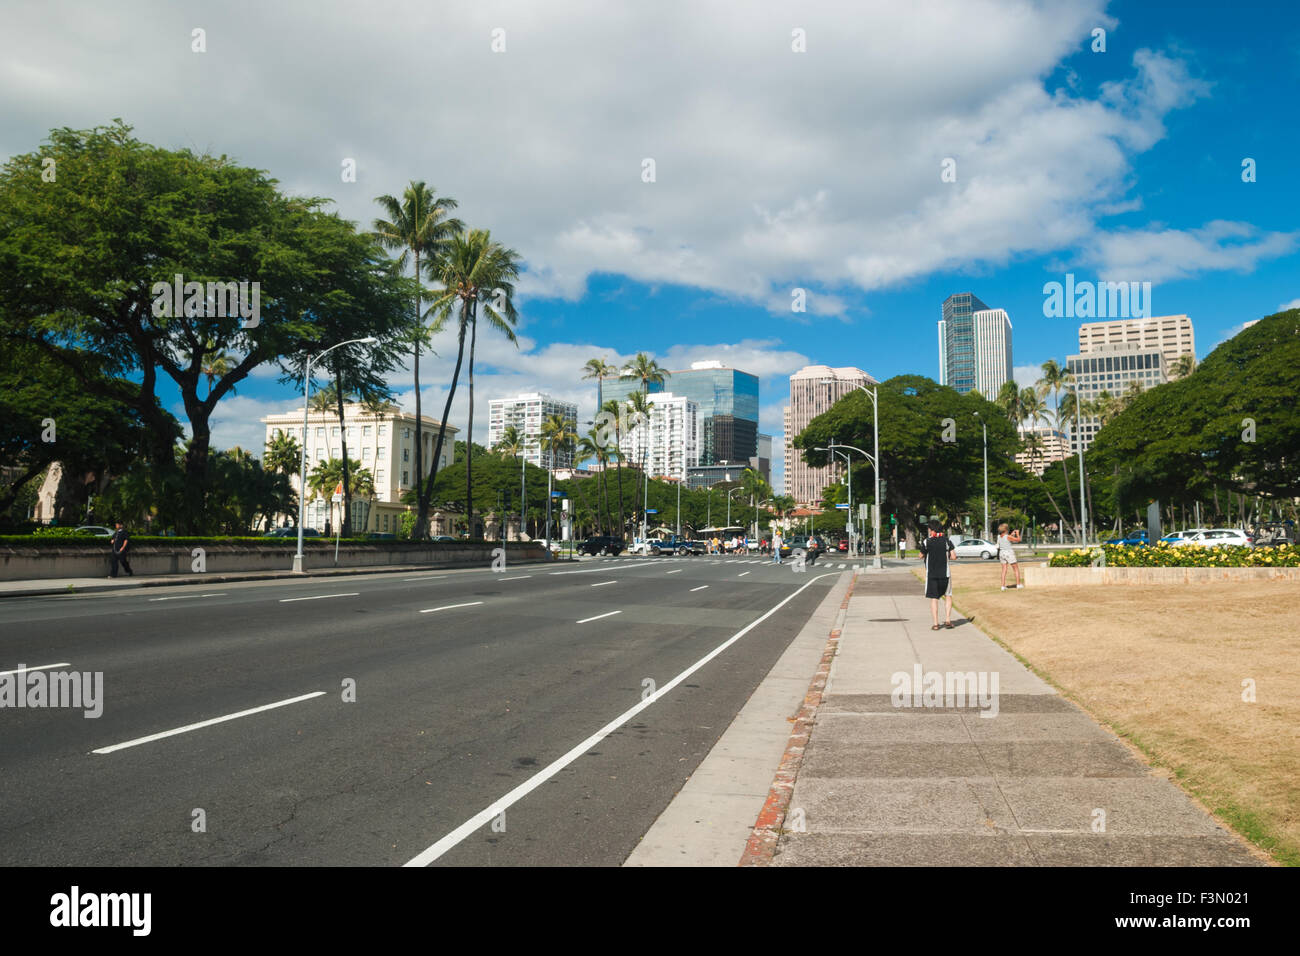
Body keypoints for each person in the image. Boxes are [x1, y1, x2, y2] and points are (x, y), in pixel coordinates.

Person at [918, 520, 955, 629]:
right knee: (948, 596)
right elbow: (953, 556)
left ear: (931, 529)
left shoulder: (927, 541)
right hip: (945, 574)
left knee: (934, 598)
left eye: (929, 528)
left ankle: (935, 623)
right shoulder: (947, 541)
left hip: (932, 574)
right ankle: (948, 620)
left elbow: (920, 555)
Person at [997, 522, 1022, 590]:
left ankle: (1002, 586)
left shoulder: (999, 536)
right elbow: (1019, 540)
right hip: (1009, 553)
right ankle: (1018, 584)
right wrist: (1017, 533)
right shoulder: (1008, 536)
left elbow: (1006, 539)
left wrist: (1011, 534)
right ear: (1006, 530)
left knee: (1004, 570)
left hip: (1002, 553)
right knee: (1016, 569)